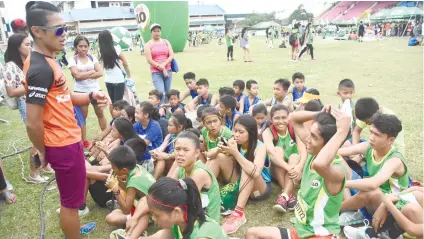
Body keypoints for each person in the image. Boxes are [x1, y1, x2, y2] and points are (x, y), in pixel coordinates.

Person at [24, 2, 109, 238]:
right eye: (58, 30)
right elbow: (32, 121)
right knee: (70, 204)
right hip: (61, 144)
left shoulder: (51, 60)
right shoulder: (40, 68)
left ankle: (72, 227)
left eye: (66, 29)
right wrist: (42, 150)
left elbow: (64, 96)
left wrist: (91, 96)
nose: (65, 36)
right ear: (37, 31)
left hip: (69, 140)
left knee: (73, 198)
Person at [245, 107, 350, 239]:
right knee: (252, 234)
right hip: (301, 232)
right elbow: (293, 118)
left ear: (327, 144)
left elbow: (320, 165)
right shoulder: (314, 152)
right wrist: (320, 113)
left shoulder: (336, 171)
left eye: (313, 136)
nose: (307, 139)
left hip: (322, 234)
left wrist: (342, 132)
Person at [207, 115, 271, 234]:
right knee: (218, 158)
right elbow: (209, 156)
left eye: (241, 132)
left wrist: (235, 153)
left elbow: (256, 172)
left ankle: (238, 213)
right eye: (235, 130)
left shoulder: (260, 147)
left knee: (249, 169)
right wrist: (219, 149)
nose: (236, 135)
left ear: (251, 133)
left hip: (259, 190)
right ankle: (203, 197)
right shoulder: (235, 141)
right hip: (241, 183)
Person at [3, 33, 50, 183]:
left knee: (46, 135)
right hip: (27, 103)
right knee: (37, 139)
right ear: (17, 47)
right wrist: (32, 86)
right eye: (27, 45)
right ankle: (33, 173)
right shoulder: (10, 66)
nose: (30, 47)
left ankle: (45, 165)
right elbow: (11, 91)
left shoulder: (29, 62)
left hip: (39, 101)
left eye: (30, 44)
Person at [339, 114, 409, 212]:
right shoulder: (369, 147)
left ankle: (332, 211)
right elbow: (338, 153)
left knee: (372, 191)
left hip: (389, 206)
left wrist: (341, 183)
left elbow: (373, 184)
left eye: (377, 135)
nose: (371, 137)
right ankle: (351, 209)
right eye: (371, 132)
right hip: (369, 194)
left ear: (391, 140)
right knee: (338, 160)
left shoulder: (394, 160)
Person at [136, 177, 228, 239]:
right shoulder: (181, 221)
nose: (153, 218)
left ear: (176, 212)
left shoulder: (203, 235)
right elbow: (164, 235)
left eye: (156, 215)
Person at [168, 131, 221, 223]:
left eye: (186, 150)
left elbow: (182, 200)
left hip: (206, 222)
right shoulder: (181, 168)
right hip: (191, 215)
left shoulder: (199, 173)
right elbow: (167, 188)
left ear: (197, 153)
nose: (180, 153)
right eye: (177, 149)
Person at [262, 105, 307, 212]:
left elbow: (303, 150)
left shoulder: (294, 129)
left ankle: (284, 196)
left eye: (284, 117)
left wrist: (300, 167)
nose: (281, 121)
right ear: (271, 119)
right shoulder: (267, 132)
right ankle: (289, 194)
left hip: (295, 168)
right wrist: (289, 168)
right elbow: (271, 152)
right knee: (277, 150)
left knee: (295, 156)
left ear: (289, 118)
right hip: (278, 169)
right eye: (277, 118)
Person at [105, 145, 155, 232]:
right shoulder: (138, 168)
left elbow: (126, 209)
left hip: (150, 213)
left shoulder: (133, 182)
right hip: (147, 204)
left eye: (113, 168)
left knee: (110, 218)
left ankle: (134, 220)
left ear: (124, 170)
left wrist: (115, 189)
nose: (112, 169)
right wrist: (120, 182)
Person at [68, 35, 106, 148]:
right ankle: (83, 140)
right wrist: (92, 71)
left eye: (85, 46)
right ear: (76, 47)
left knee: (100, 113)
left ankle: (105, 136)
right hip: (80, 92)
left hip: (95, 90)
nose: (83, 49)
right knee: (82, 118)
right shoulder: (73, 60)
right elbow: (77, 76)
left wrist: (83, 74)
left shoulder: (92, 57)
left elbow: (100, 73)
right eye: (80, 46)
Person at [151, 112, 192, 179]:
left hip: (177, 162)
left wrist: (167, 156)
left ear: (180, 127)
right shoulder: (169, 136)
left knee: (162, 159)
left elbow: (180, 154)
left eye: (170, 125)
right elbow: (162, 147)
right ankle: (153, 180)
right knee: (159, 158)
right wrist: (154, 152)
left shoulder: (184, 138)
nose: (167, 127)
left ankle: (157, 180)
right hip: (169, 160)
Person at [98, 30, 132, 105]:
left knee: (112, 102)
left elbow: (101, 66)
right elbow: (125, 63)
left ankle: (114, 116)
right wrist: (129, 76)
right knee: (119, 103)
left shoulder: (100, 51)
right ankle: (118, 117)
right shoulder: (116, 49)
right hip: (118, 79)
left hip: (108, 80)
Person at [145, 23, 174, 103]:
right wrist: (160, 67)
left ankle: (167, 111)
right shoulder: (148, 45)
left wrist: (164, 65)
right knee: (161, 94)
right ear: (151, 32)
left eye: (158, 31)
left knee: (168, 93)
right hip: (156, 73)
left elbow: (171, 55)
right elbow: (149, 60)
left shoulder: (166, 42)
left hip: (168, 71)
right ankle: (161, 111)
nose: (157, 33)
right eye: (154, 31)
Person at [134, 101, 163, 170]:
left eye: (137, 113)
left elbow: (144, 144)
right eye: (135, 112)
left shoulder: (154, 125)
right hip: (142, 154)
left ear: (146, 115)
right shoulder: (137, 125)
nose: (135, 115)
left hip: (153, 155)